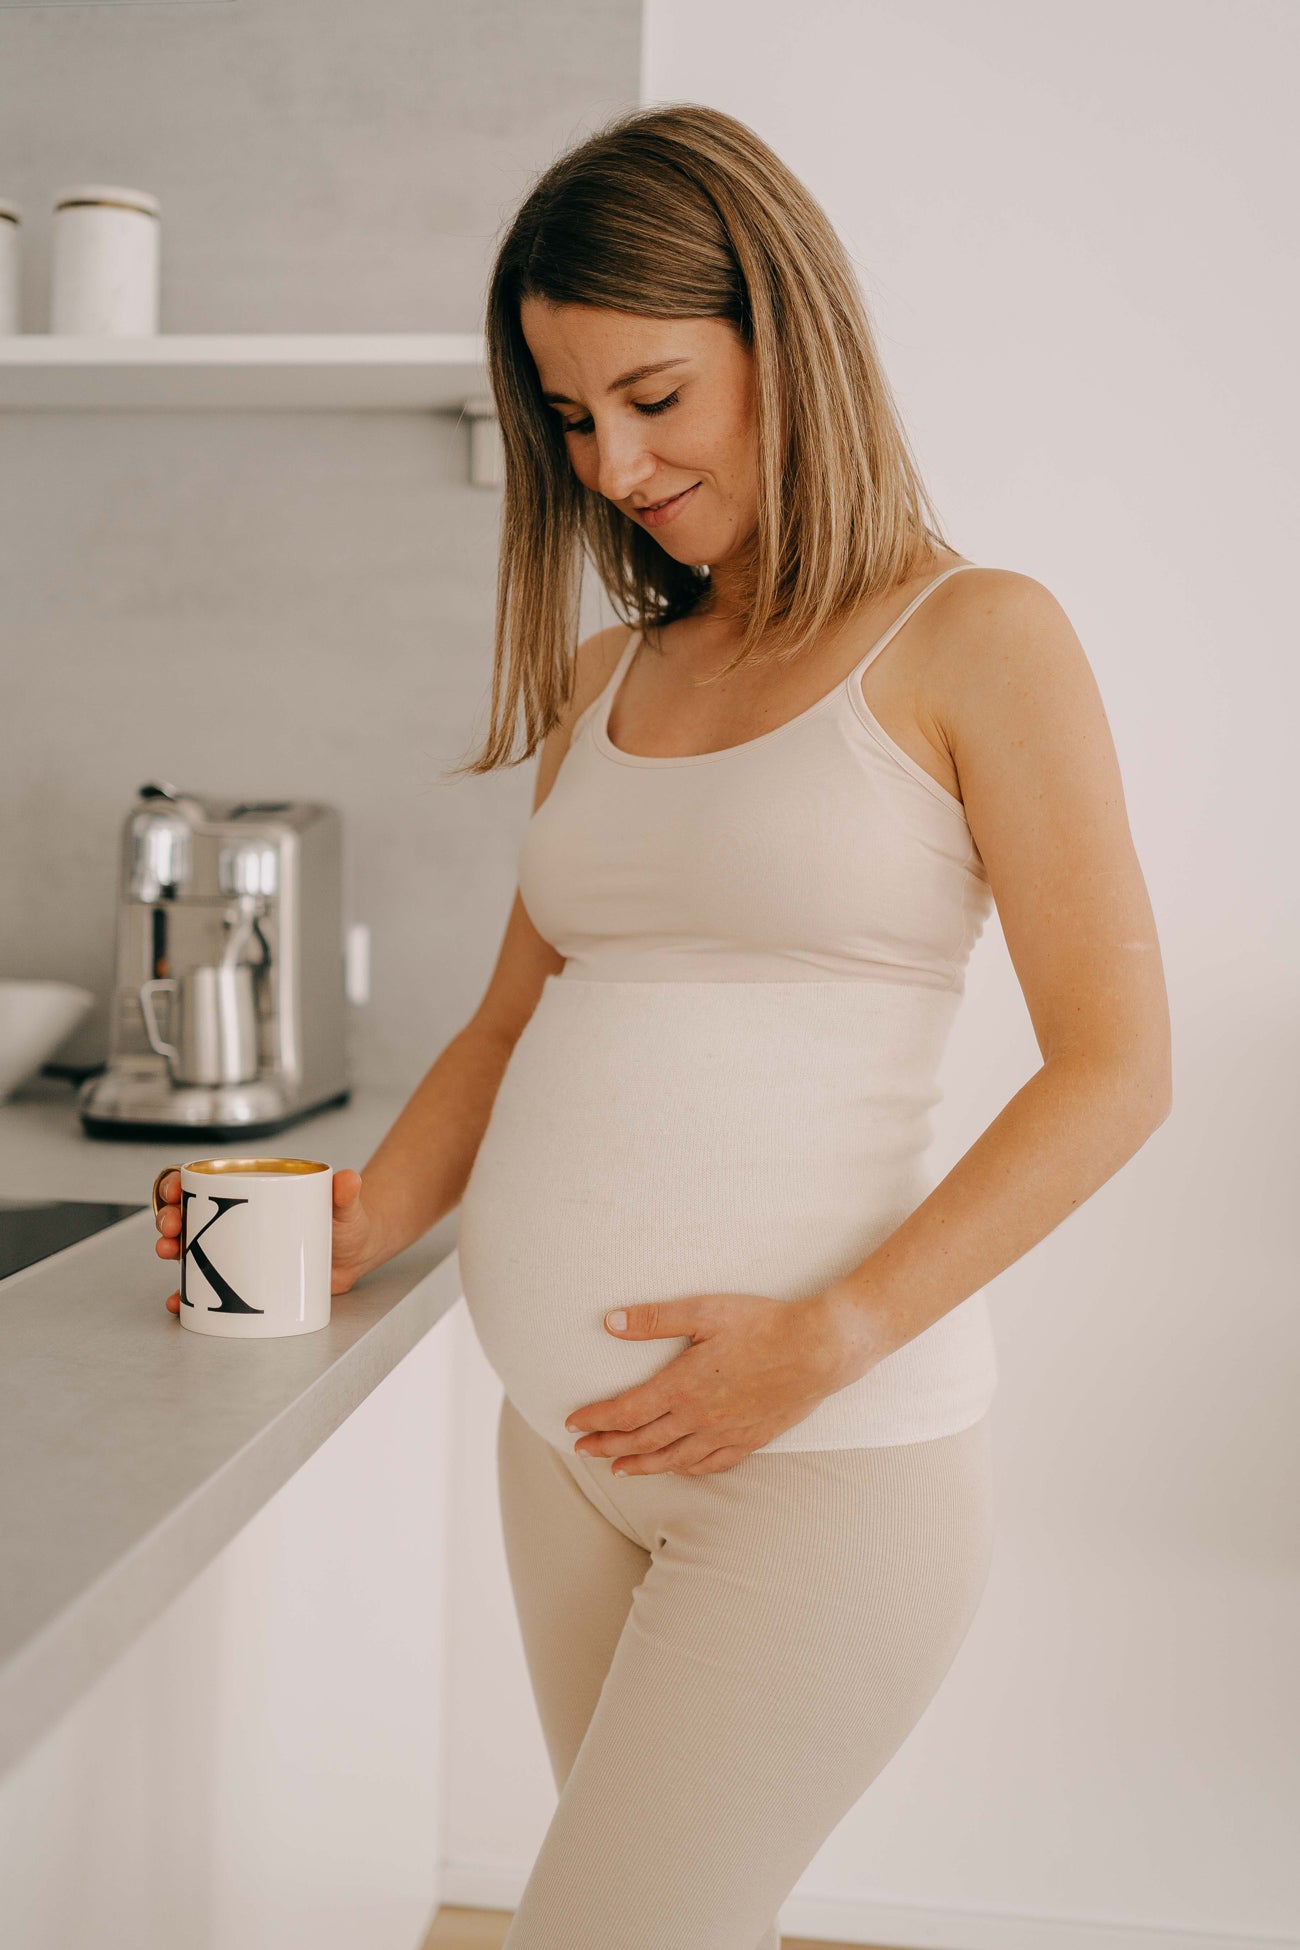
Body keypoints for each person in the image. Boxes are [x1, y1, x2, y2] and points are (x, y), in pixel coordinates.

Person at [153, 102, 1172, 1950]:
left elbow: (1120, 1068)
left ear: (785, 341)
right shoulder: (611, 670)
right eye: (568, 416)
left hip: (819, 1464)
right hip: (567, 1452)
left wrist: (828, 1336)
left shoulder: (975, 637)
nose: (609, 460)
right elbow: (512, 1017)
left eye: (653, 397)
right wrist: (365, 1212)